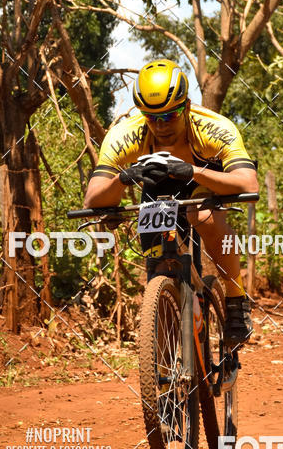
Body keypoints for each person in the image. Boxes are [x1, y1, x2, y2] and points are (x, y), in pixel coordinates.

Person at [83, 59, 260, 344]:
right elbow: (93, 196)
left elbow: (248, 183)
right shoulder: (126, 133)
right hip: (158, 182)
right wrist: (124, 179)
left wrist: (192, 171)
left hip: (204, 177)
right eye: (152, 117)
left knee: (202, 217)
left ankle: (236, 298)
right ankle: (165, 346)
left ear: (187, 106)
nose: (160, 125)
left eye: (170, 115)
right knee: (158, 262)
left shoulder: (213, 128)